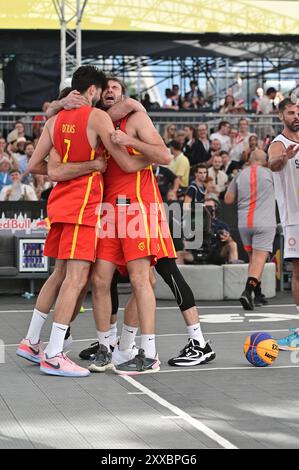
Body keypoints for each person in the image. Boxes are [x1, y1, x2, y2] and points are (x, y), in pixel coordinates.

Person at [41, 78, 216, 369]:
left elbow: (162, 155)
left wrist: (129, 141)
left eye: (116, 89)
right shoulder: (97, 122)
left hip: (139, 208)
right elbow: (55, 121)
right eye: (105, 88)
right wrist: (60, 104)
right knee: (100, 280)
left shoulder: (135, 118)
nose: (110, 92)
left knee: (148, 276)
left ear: (124, 95)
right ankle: (112, 346)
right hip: (107, 212)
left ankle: (159, 348)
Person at [16, 66, 152, 377]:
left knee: (60, 274)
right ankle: (53, 353)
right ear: (92, 91)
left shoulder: (55, 119)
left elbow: (37, 166)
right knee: (76, 279)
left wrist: (65, 167)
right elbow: (122, 160)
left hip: (60, 203)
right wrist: (150, 156)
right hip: (84, 206)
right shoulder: (97, 117)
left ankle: (32, 340)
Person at [225, 149, 276, 309]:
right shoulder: (270, 173)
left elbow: (228, 199)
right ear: (265, 160)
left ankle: (258, 294)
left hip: (245, 223)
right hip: (265, 222)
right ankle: (247, 292)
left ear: (250, 159)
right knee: (259, 260)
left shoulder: (240, 174)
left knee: (253, 260)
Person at [268, 97, 299, 349]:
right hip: (295, 220)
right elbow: (273, 164)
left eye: (298, 112)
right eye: (291, 112)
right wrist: (285, 158)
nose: (296, 116)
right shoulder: (279, 144)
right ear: (281, 116)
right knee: (298, 273)